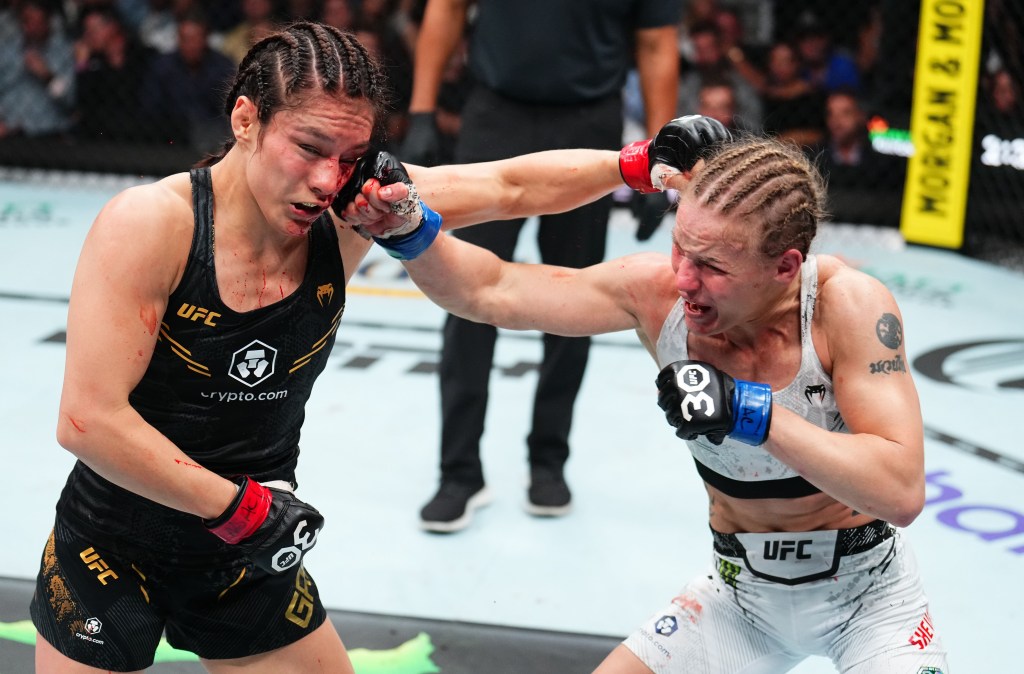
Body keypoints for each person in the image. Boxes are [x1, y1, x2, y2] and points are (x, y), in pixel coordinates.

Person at [29, 20, 633, 672]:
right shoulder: (153, 223)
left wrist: (636, 165)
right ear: (245, 120)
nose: (327, 179)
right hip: (113, 549)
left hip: (248, 554)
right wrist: (243, 509)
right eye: (309, 147)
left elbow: (509, 186)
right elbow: (88, 420)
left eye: (349, 157)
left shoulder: (350, 214)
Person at [343, 116, 951, 673]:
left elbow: (900, 491)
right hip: (740, 598)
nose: (684, 278)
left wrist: (750, 413)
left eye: (711, 265)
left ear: (786, 267)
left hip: (870, 598)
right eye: (680, 248)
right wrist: (409, 231)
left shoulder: (847, 305)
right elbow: (491, 291)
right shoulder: (655, 293)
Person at [400, 0, 681, 533]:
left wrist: (658, 154)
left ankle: (548, 460)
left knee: (580, 296)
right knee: (465, 295)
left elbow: (656, 42)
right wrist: (421, 110)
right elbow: (446, 9)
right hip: (496, 113)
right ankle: (459, 471)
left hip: (588, 119)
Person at [0, 0, 76, 139]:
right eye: (27, 21)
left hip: (48, 134)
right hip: (9, 132)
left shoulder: (64, 53)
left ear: (48, 22)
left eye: (37, 22)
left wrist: (47, 76)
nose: (31, 28)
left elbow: (69, 99)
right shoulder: (7, 52)